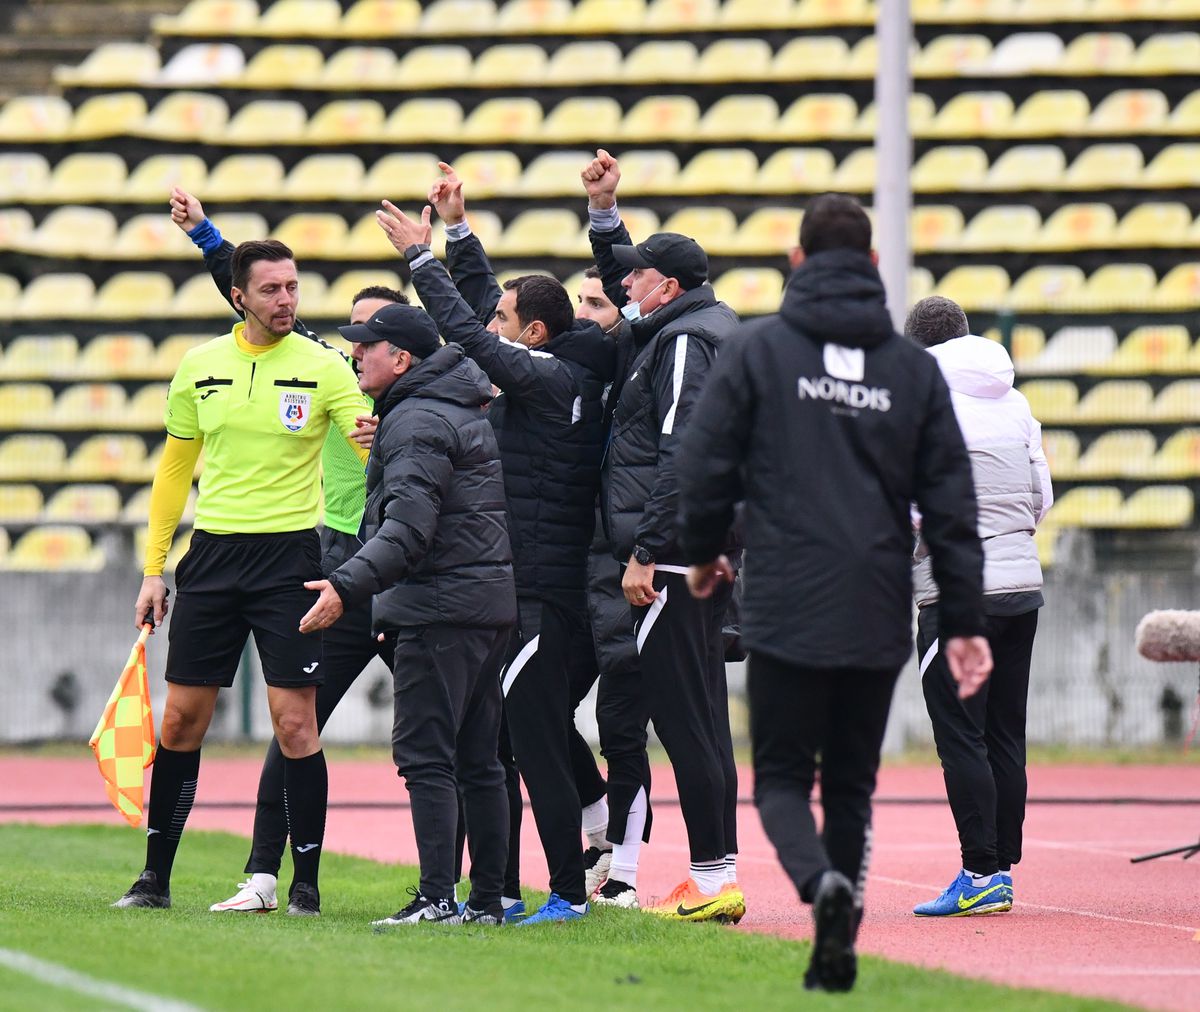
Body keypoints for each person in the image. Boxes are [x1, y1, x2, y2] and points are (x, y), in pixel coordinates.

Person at [676, 193, 993, 991]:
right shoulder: (911, 370)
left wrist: (707, 554)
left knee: (784, 779)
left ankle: (820, 886)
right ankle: (837, 939)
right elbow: (952, 504)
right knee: (852, 786)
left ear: (796, 261)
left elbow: (705, 464)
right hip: (879, 600)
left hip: (785, 596)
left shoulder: (759, 351)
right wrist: (962, 619)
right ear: (878, 268)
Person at [374, 166, 615, 925]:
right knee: (504, 746)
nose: (497, 325)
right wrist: (457, 232)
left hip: (542, 591)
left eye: (513, 319)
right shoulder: (553, 364)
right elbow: (487, 313)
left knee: (536, 746)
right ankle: (500, 891)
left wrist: (420, 262)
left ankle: (569, 894)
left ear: (534, 335)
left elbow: (473, 330)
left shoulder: (552, 380)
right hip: (523, 588)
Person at [114, 238, 371, 918]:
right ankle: (153, 879)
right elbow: (174, 474)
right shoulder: (199, 366)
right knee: (181, 721)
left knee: (294, 725)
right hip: (213, 558)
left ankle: (306, 888)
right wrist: (153, 570)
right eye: (271, 290)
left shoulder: (325, 368)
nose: (286, 299)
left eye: (292, 286)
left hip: (290, 560)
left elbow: (368, 444)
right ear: (239, 297)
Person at [168, 188, 402, 914]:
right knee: (295, 724)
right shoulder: (324, 367)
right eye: (352, 329)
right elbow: (250, 294)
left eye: (374, 331)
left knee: (465, 730)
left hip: (387, 566)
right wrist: (206, 233)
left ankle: (526, 863)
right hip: (324, 563)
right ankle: (267, 876)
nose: (356, 340)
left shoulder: (396, 399)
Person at [301, 303, 517, 927]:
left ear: (401, 358)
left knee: (425, 754)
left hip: (440, 610)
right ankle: (485, 902)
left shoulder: (415, 420)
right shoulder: (453, 409)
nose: (356, 355)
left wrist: (345, 584)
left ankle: (438, 899)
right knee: (479, 759)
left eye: (367, 346)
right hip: (483, 605)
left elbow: (407, 532)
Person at [580, 148, 744, 921]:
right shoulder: (692, 325)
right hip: (693, 552)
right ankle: (716, 874)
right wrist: (605, 216)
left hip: (674, 558)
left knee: (688, 722)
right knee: (702, 719)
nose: (623, 288)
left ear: (666, 288)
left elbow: (684, 451)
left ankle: (712, 881)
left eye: (635, 278)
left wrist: (647, 551)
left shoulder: (685, 343)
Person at [904, 296, 1053, 917]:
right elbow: (1042, 495)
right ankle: (1001, 862)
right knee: (1003, 730)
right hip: (1022, 587)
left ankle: (982, 870)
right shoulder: (1014, 402)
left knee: (960, 734)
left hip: (958, 591)